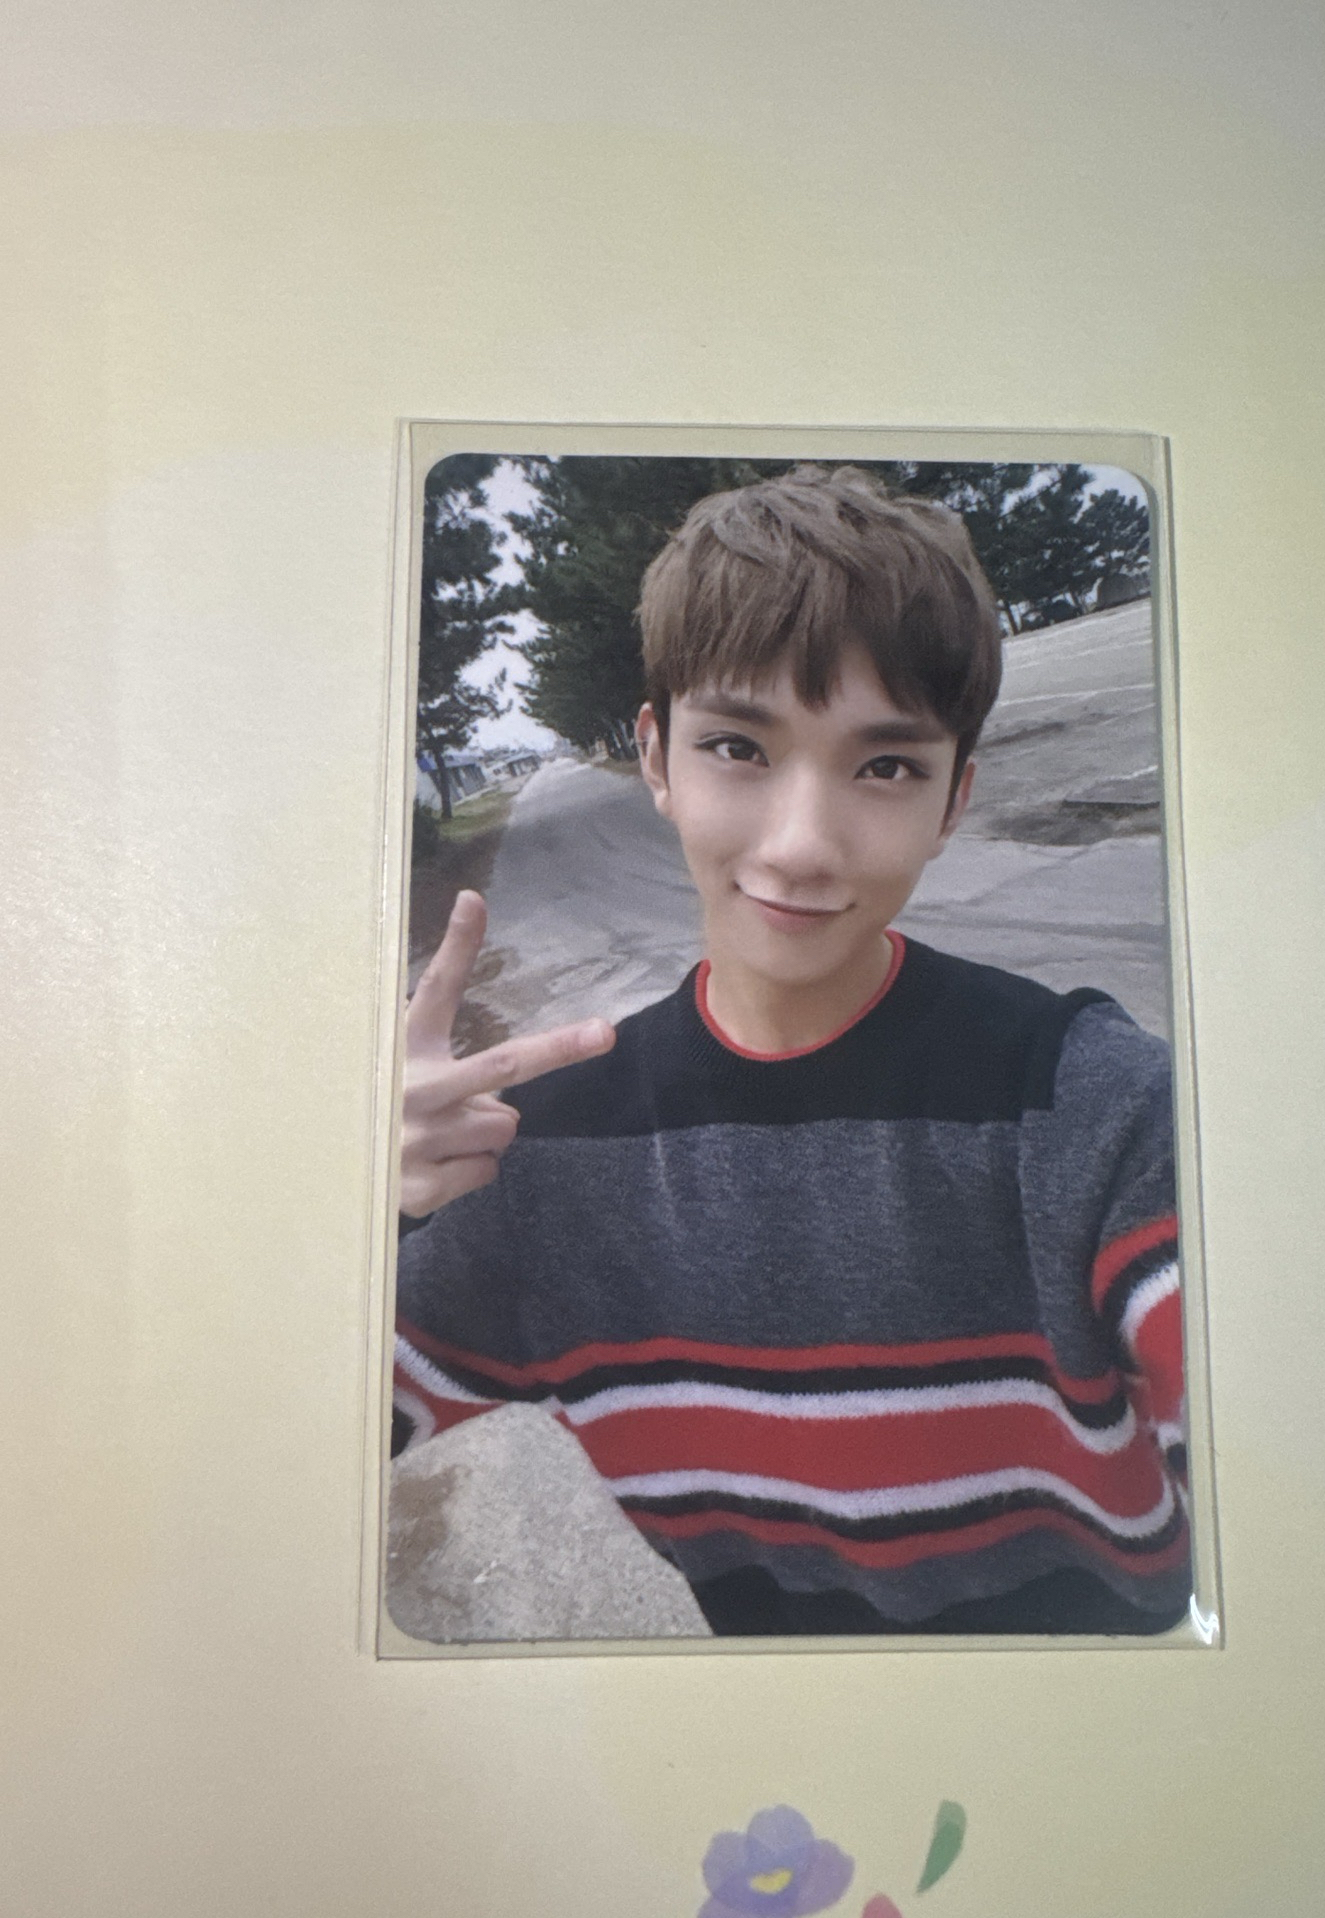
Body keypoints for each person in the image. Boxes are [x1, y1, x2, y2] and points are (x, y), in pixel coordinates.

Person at [393, 465, 1189, 1636]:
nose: (803, 844)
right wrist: (354, 1216)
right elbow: (253, 1467)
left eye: (885, 766)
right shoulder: (538, 1156)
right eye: (739, 747)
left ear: (954, 800)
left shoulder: (1089, 1113)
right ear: (655, 757)